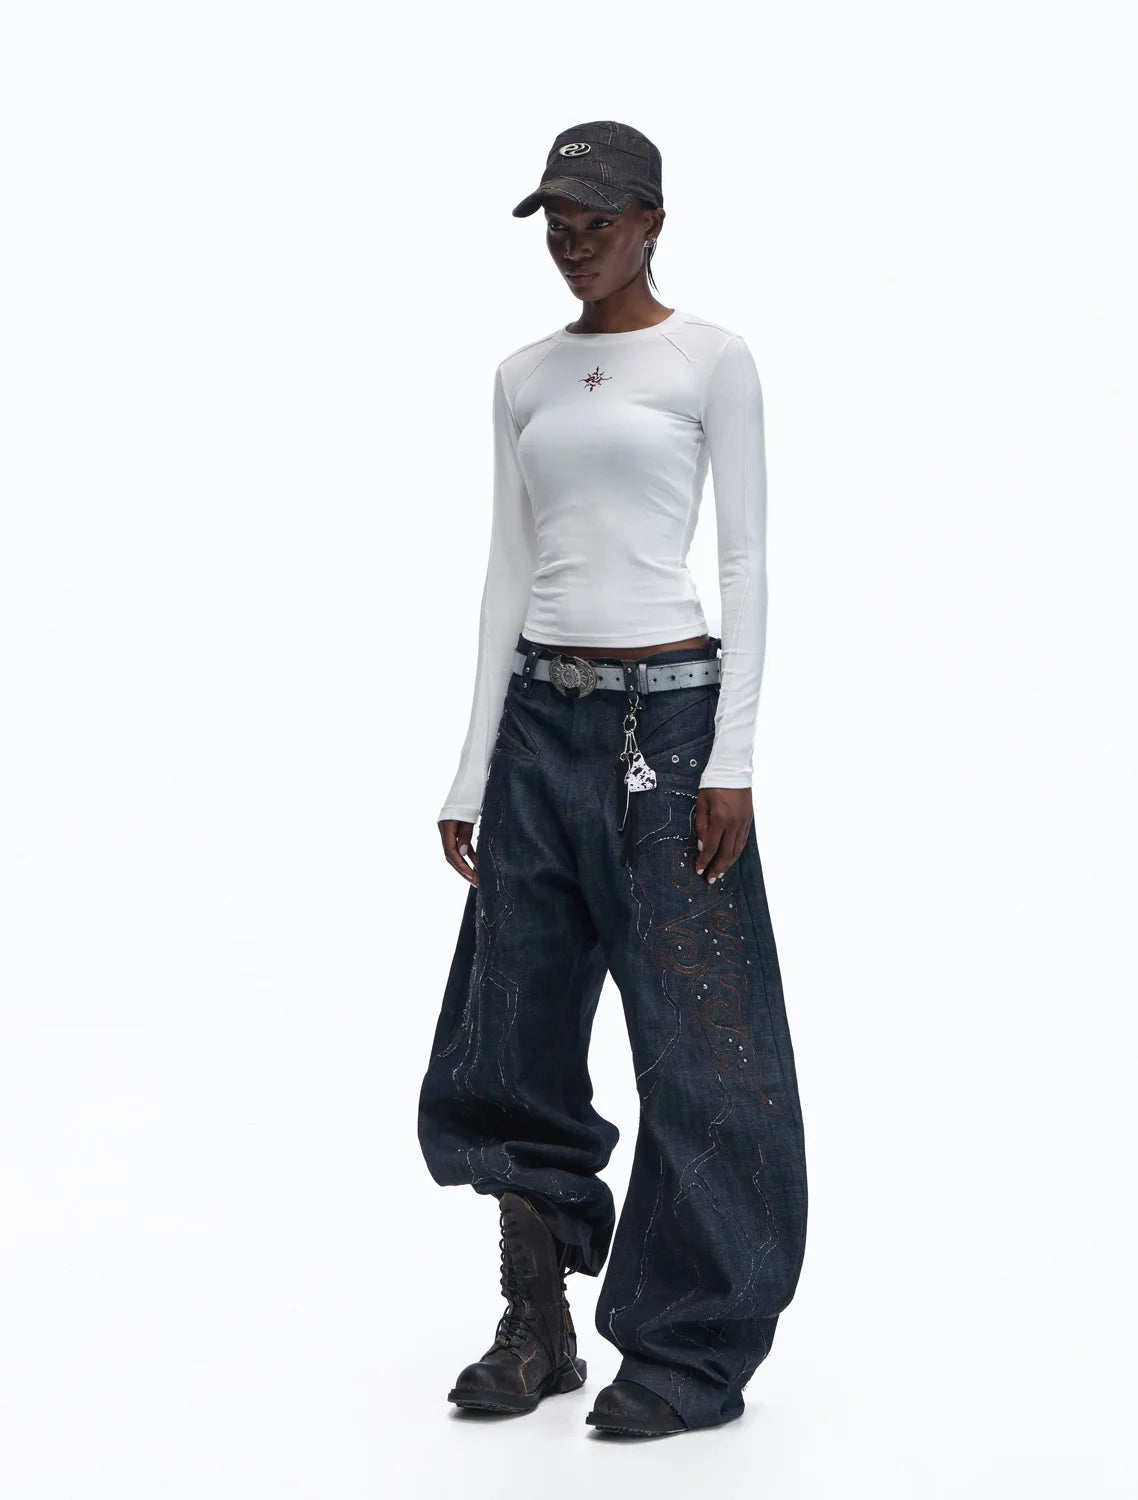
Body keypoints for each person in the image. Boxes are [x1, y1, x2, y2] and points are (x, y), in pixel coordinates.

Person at [416, 120, 808, 1438]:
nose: (573, 243)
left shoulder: (710, 359)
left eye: (596, 220)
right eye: (556, 222)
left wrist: (732, 760)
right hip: (539, 727)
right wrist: (472, 768)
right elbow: (506, 571)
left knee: (705, 1051)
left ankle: (690, 1352)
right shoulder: (523, 376)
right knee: (510, 1036)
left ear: (652, 221)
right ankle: (537, 1327)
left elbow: (747, 562)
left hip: (671, 729)